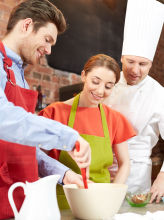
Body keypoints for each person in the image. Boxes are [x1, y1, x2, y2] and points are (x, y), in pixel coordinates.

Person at [0, 1, 91, 219]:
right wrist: (70, 136)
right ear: (27, 26)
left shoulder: (21, 78)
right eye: (47, 40)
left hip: (21, 199)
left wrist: (63, 174)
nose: (48, 50)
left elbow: (23, 146)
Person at [104, 0, 164, 204]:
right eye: (130, 62)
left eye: (143, 64)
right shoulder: (106, 84)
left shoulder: (161, 95)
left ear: (151, 63)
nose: (136, 70)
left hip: (135, 177)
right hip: (97, 171)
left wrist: (163, 177)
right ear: (122, 58)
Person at [39, 54, 136, 210]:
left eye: (108, 86)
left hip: (101, 202)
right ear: (84, 76)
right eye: (95, 82)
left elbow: (125, 163)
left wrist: (112, 195)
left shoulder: (114, 119)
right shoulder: (54, 113)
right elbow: (37, 158)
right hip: (61, 202)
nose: (100, 90)